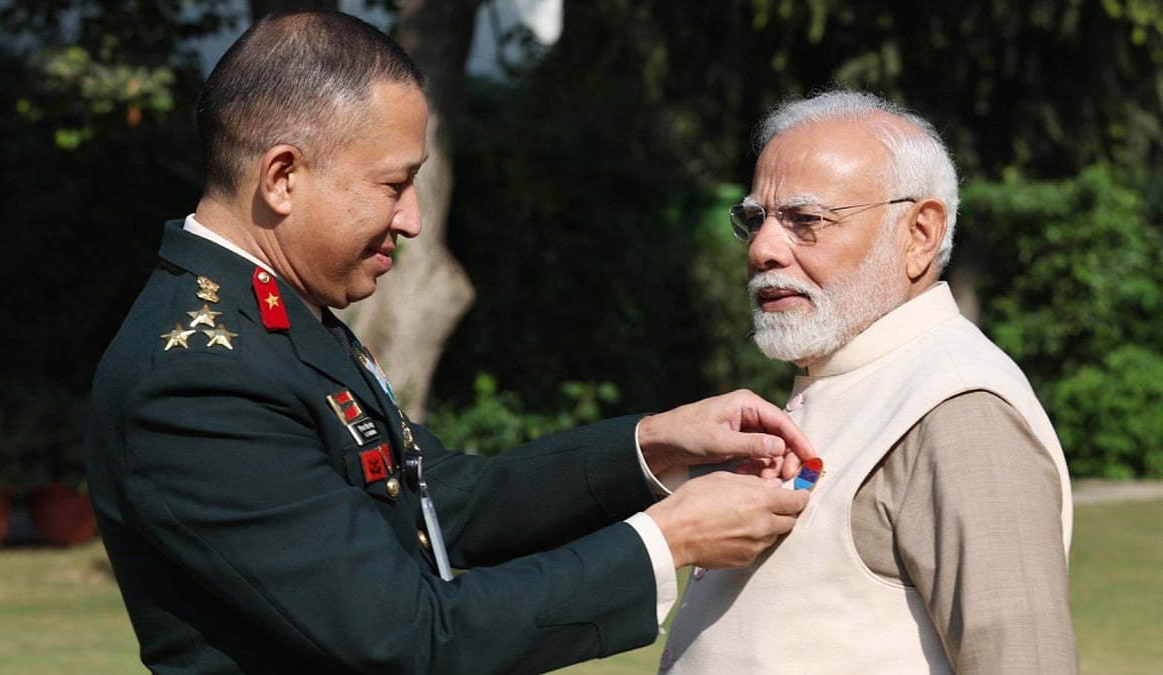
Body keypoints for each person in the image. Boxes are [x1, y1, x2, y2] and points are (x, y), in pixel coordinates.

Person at [84, 11, 815, 675]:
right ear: (283, 177)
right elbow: (409, 635)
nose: (411, 220)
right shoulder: (196, 378)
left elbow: (451, 501)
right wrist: (670, 539)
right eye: (393, 183)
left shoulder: (276, 319)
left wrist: (654, 444)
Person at [659, 89, 1077, 673]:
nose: (763, 248)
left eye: (805, 220)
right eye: (756, 219)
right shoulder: (851, 375)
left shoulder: (961, 413)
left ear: (920, 234)